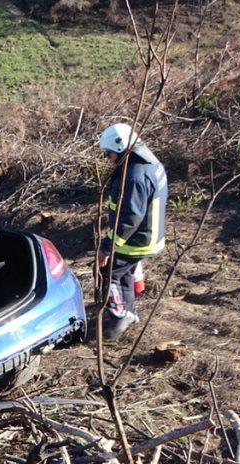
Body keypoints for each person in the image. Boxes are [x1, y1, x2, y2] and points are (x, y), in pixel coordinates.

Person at [97, 122, 168, 340]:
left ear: (120, 149)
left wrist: (107, 247)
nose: (108, 158)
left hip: (136, 239)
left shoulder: (133, 177)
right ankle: (130, 312)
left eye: (108, 153)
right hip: (149, 235)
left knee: (111, 273)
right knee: (125, 271)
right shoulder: (150, 164)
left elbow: (128, 219)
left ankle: (119, 317)